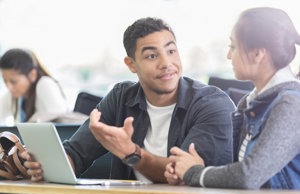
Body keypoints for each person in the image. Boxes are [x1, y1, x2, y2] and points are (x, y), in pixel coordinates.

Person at [22, 17, 235, 183]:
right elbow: (76, 154)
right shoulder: (121, 97)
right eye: (152, 56)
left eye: (171, 51)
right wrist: (47, 168)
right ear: (131, 64)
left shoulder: (212, 103)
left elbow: (181, 173)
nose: (166, 63)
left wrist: (132, 153)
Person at [164, 7, 300, 189]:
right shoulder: (248, 103)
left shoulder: (291, 104)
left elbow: (248, 176)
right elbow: (242, 172)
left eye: (233, 47)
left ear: (258, 54)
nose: (229, 55)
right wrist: (194, 171)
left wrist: (195, 173)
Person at [0, 48, 68, 125]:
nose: (9, 87)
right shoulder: (14, 94)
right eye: (5, 81)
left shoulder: (45, 84)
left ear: (32, 75)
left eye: (14, 82)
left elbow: (61, 118)